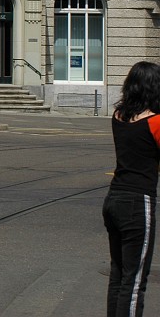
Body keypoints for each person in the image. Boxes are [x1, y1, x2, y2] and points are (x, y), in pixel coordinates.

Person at [103, 60, 160, 317]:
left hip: (114, 199)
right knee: (135, 281)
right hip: (139, 203)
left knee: (118, 274)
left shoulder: (118, 116)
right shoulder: (155, 122)